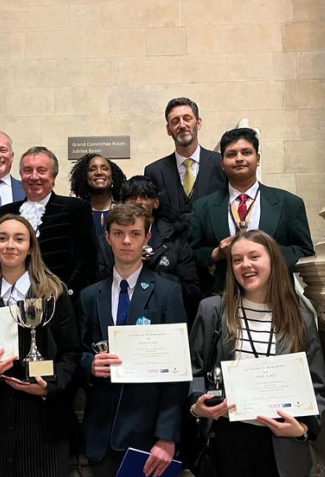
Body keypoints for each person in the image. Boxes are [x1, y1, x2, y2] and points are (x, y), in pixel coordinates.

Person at [188, 230, 325, 477]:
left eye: (254, 256)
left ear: (273, 260)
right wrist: (197, 406)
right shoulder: (212, 310)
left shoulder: (301, 320)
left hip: (281, 441)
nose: (246, 265)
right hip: (227, 439)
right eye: (237, 259)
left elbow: (318, 385)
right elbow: (194, 369)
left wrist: (302, 428)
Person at [0, 214, 81, 477]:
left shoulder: (55, 293)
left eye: (19, 239)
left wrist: (49, 387)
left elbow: (71, 353)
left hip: (44, 426)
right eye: (2, 238)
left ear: (30, 247)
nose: (10, 245)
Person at [78, 204, 187, 477]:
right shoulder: (90, 296)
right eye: (119, 233)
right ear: (107, 237)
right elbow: (75, 352)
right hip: (100, 435)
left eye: (135, 233)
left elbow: (178, 372)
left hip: (148, 437)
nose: (126, 241)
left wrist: (167, 436)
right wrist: (90, 364)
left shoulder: (168, 293)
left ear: (146, 238)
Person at [189, 128, 315, 295]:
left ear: (258, 159)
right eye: (231, 154)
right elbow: (191, 255)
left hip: (276, 298)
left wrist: (266, 252)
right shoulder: (202, 207)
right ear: (222, 163)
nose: (239, 159)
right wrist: (216, 253)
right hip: (223, 297)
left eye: (246, 152)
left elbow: (305, 252)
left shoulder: (289, 203)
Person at [0, 146, 98, 304]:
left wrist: (64, 297)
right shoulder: (3, 214)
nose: (34, 177)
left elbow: (86, 260)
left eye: (41, 170)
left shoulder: (75, 208)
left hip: (60, 303)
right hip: (9, 302)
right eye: (28, 170)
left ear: (53, 176)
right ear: (21, 176)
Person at [120, 175, 202, 327]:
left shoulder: (174, 239)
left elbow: (194, 291)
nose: (138, 202)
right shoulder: (111, 240)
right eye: (132, 197)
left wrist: (153, 275)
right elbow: (101, 283)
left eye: (145, 196)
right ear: (123, 203)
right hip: (122, 315)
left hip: (163, 318)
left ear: (156, 202)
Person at [144, 97, 227, 221]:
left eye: (187, 119)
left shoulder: (221, 163)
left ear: (198, 123)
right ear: (168, 129)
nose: (182, 125)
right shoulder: (154, 172)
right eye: (175, 121)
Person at [69, 153, 127, 279]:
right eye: (92, 169)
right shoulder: (76, 212)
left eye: (104, 168)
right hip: (85, 283)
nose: (99, 172)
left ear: (112, 176)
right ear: (85, 177)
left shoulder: (125, 211)